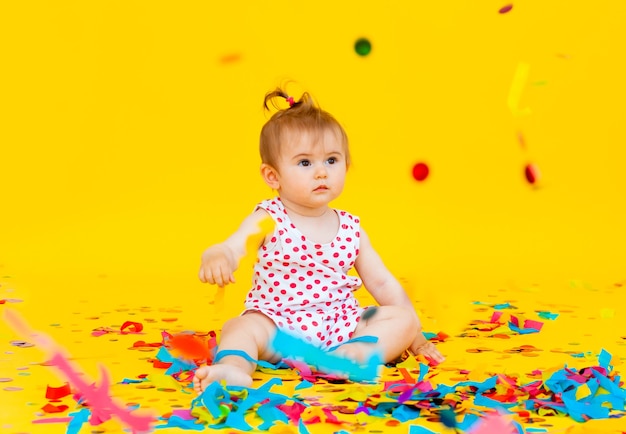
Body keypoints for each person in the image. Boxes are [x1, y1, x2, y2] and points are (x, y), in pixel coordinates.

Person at [193, 88, 444, 392]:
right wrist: (217, 256)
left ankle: (349, 356)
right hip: (279, 327)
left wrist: (414, 334)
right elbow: (235, 245)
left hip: (341, 325)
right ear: (273, 176)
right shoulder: (269, 217)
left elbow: (382, 284)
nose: (322, 173)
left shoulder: (351, 227)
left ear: (346, 166)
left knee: (403, 318)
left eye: (332, 160)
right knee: (240, 327)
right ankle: (232, 369)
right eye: (305, 163)